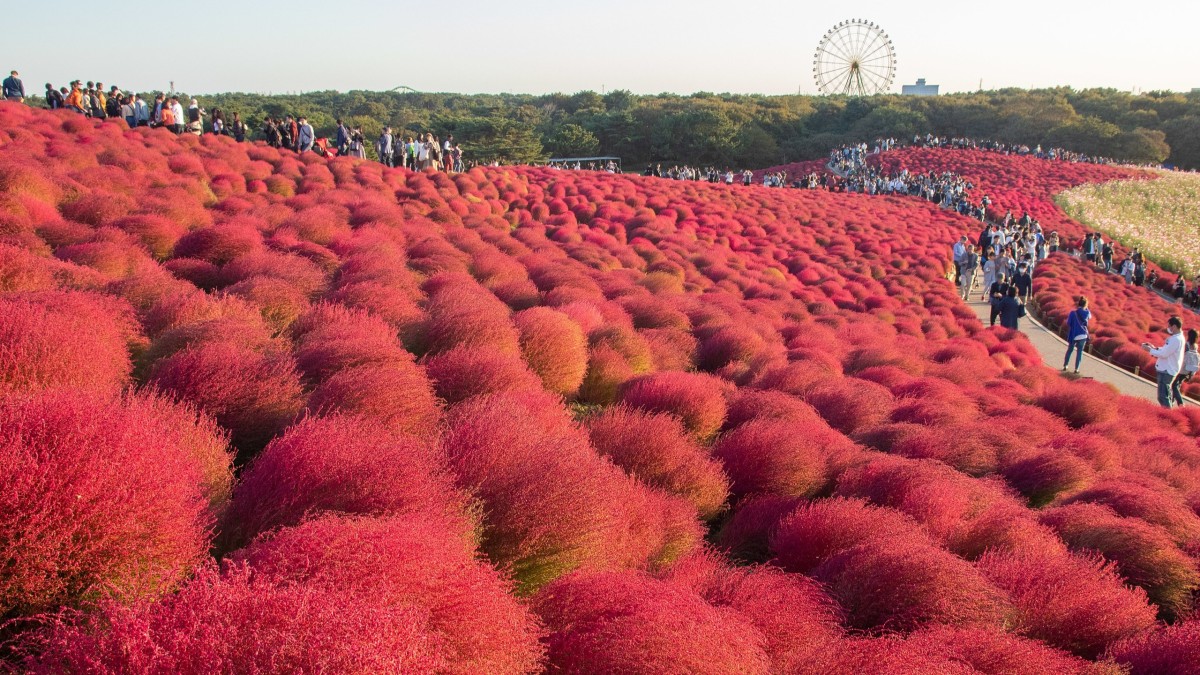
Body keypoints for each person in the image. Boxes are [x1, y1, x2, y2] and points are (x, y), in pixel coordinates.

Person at [1144, 316, 1185, 409]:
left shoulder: (1176, 339)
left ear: (1174, 326)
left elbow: (1164, 354)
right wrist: (1154, 348)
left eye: (1169, 326)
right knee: (1166, 395)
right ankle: (1168, 413)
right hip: (1168, 369)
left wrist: (1150, 350)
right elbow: (1166, 350)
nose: (1168, 328)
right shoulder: (1178, 338)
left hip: (1167, 370)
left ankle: (1167, 414)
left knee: (1162, 397)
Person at [1063, 296, 1091, 374]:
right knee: (1079, 352)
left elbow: (1068, 323)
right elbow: (1090, 316)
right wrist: (1086, 308)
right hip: (1083, 335)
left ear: (1078, 304)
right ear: (1085, 305)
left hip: (1074, 334)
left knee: (1070, 350)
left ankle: (1065, 365)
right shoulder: (1087, 313)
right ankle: (1077, 369)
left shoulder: (1073, 313)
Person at [1175, 328, 1199, 407]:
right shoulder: (1195, 346)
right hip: (1189, 370)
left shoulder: (1186, 345)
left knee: (1174, 386)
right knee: (1177, 386)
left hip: (1181, 369)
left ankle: (1180, 403)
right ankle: (1171, 402)